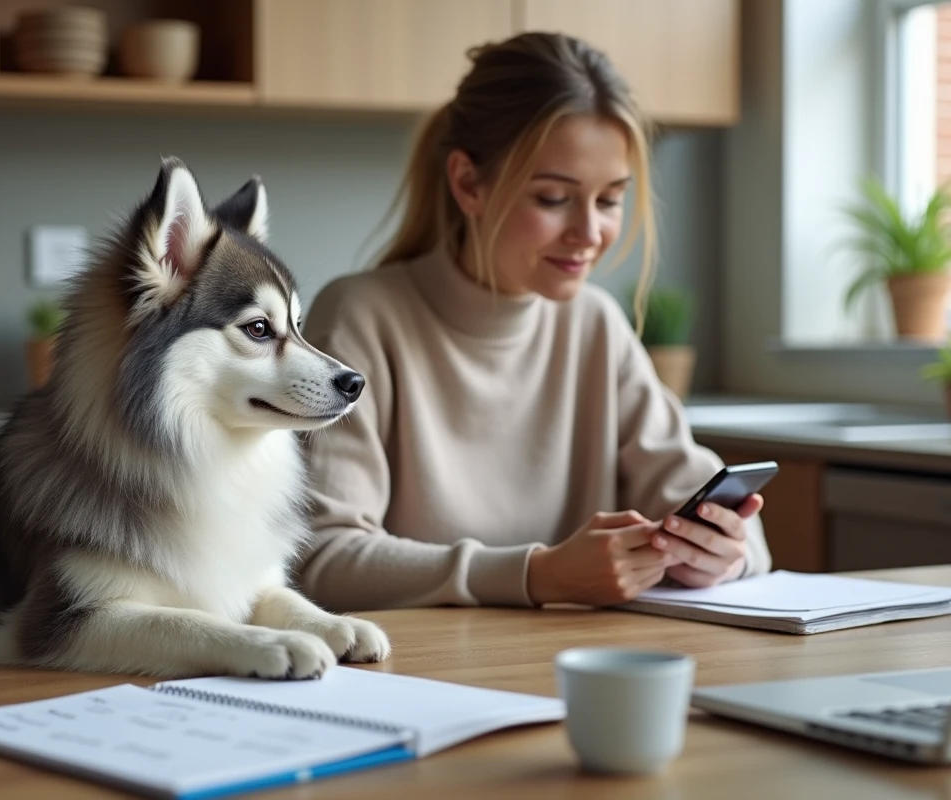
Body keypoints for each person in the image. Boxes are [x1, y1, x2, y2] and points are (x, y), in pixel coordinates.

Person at [297, 31, 772, 612]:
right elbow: (321, 558)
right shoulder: (361, 319)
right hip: (422, 673)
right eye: (553, 198)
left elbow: (705, 498)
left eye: (609, 199)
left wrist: (724, 550)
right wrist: (537, 575)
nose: (589, 233)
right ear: (469, 183)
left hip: (571, 662)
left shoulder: (596, 324)